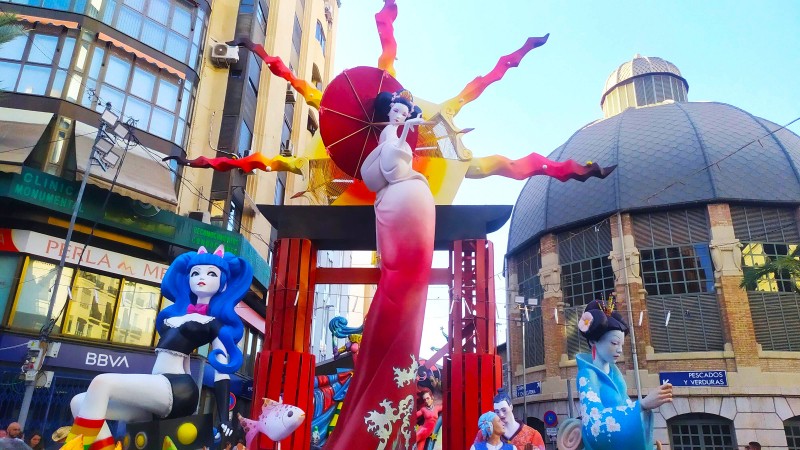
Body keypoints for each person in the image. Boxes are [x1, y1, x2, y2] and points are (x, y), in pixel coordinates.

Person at [325, 88, 436, 450]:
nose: (402, 115)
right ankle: (369, 424)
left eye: (405, 111)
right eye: (397, 110)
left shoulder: (396, 137)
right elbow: (385, 171)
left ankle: (387, 422)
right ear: (387, 113)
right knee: (395, 291)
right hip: (398, 210)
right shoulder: (389, 138)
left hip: (414, 210)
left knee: (410, 295)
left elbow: (393, 167)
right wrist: (397, 138)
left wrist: (401, 140)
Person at [65, 246, 253, 450]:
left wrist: (224, 417)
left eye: (211, 274)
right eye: (196, 272)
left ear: (223, 285)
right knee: (79, 401)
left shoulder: (214, 323)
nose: (202, 278)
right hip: (158, 389)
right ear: (188, 279)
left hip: (178, 389)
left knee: (102, 383)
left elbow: (221, 373)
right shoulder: (174, 315)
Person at [575, 296, 673, 450]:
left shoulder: (616, 375)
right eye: (614, 343)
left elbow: (627, 409)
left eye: (621, 344)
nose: (619, 350)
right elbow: (593, 424)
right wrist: (642, 404)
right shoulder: (587, 375)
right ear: (593, 341)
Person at [473, 389, 545, 450]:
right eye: (497, 411)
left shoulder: (533, 435)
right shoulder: (484, 433)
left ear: (511, 407)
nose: (501, 415)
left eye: (504, 410)